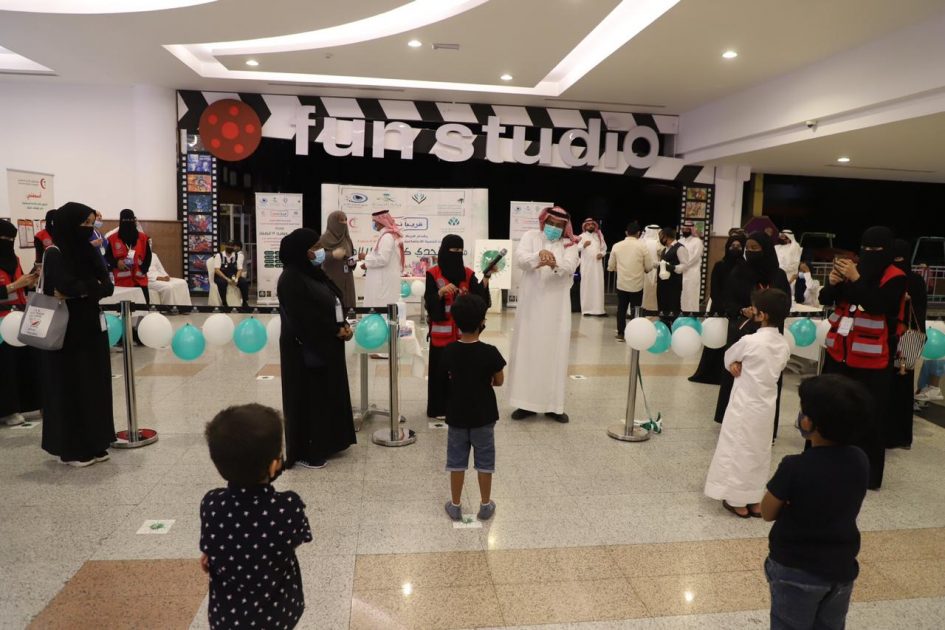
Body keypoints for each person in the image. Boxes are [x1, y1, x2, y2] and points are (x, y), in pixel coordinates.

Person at [762, 374, 870, 630]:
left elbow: (767, 511)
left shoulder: (794, 466)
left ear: (809, 422)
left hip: (795, 567)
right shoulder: (860, 459)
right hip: (841, 566)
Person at [200, 404, 312, 629]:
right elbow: (298, 538)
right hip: (278, 613)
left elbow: (210, 547)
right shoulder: (288, 506)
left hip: (227, 615)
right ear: (273, 466)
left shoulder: (211, 503)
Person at [820, 226, 906, 489]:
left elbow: (879, 305)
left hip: (873, 363)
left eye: (875, 249)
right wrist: (833, 284)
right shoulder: (851, 272)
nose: (868, 253)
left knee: (869, 418)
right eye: (865, 248)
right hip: (839, 354)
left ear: (887, 251)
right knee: (830, 412)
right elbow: (827, 299)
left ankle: (865, 475)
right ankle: (824, 468)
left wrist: (856, 279)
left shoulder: (896, 277)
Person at [40, 202, 116, 467]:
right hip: (66, 332)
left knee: (94, 385)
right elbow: (64, 285)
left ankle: (97, 442)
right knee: (71, 386)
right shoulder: (55, 253)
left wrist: (83, 289)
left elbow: (107, 286)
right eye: (84, 223)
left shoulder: (89, 250)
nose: (88, 229)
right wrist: (89, 287)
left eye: (91, 224)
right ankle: (72, 448)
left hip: (91, 327)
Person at [705, 288, 792, 518]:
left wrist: (734, 364)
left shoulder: (750, 341)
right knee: (759, 450)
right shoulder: (783, 344)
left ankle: (735, 498)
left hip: (744, 404)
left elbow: (729, 356)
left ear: (762, 315)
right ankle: (754, 497)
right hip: (766, 406)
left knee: (737, 447)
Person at [277, 228, 357, 469]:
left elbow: (333, 300)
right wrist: (333, 330)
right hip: (304, 351)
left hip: (327, 346)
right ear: (300, 251)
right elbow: (302, 317)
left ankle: (330, 442)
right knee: (308, 399)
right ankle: (306, 450)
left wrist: (343, 325)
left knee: (326, 395)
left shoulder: (314, 273)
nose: (320, 251)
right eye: (314, 248)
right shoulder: (290, 278)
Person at [508, 206, 580, 423]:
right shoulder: (531, 237)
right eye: (551, 223)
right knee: (528, 351)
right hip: (531, 307)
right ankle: (525, 403)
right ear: (544, 222)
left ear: (565, 228)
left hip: (557, 310)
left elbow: (569, 267)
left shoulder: (570, 245)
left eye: (559, 225)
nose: (554, 228)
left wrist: (554, 263)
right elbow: (520, 259)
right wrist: (538, 256)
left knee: (555, 353)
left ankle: (553, 406)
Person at [713, 232, 791, 425]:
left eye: (755, 248)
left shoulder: (778, 275)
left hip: (769, 334)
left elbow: (785, 304)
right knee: (737, 376)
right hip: (743, 331)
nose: (749, 251)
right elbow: (727, 300)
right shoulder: (739, 272)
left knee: (765, 381)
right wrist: (742, 310)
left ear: (766, 250)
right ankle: (730, 422)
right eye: (748, 248)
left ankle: (765, 425)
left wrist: (766, 314)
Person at [441, 294, 506, 522]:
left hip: (457, 415)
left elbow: (444, 379)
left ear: (457, 322)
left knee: (456, 462)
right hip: (484, 416)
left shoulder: (449, 351)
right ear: (482, 322)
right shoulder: (490, 352)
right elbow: (499, 381)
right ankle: (485, 504)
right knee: (485, 461)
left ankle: (455, 505)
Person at [424, 234, 491, 419]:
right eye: (453, 250)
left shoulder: (468, 274)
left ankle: (461, 408)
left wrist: (486, 278)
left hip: (464, 336)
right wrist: (440, 292)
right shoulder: (433, 273)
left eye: (460, 251)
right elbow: (429, 301)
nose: (457, 254)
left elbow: (481, 299)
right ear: (444, 251)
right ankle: (439, 409)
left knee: (462, 374)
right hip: (441, 335)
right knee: (439, 373)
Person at [689, 233, 746, 384]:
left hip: (738, 311)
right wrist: (724, 307)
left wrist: (737, 308)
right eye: (733, 246)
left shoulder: (745, 267)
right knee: (715, 341)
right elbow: (715, 290)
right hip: (720, 309)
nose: (735, 249)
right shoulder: (720, 265)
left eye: (739, 246)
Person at [0, 219, 41, 426]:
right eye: (4, 239)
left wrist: (30, 281)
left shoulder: (14, 259)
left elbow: (21, 285)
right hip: (1, 321)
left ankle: (28, 404)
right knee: (5, 366)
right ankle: (7, 410)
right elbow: (12, 286)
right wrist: (14, 285)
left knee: (24, 362)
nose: (8, 242)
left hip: (19, 316)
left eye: (11, 239)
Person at [887, 239, 926, 450]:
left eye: (900, 258)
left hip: (902, 340)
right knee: (893, 388)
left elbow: (919, 310)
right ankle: (893, 435)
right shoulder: (898, 277)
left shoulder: (913, 280)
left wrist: (905, 298)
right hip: (891, 339)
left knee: (899, 388)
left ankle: (899, 436)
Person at [608, 221, 653, 342]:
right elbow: (649, 266)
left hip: (622, 284)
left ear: (626, 232)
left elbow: (610, 266)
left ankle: (621, 333)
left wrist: (618, 268)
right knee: (636, 310)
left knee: (621, 309)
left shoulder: (617, 246)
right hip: (637, 284)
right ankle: (634, 334)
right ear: (639, 233)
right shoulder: (642, 246)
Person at [358, 209, 404, 310]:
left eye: (374, 222)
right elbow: (380, 257)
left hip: (383, 281)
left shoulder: (387, 237)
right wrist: (367, 264)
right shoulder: (386, 236)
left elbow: (383, 259)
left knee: (382, 308)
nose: (373, 224)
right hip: (384, 279)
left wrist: (365, 257)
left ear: (380, 222)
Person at [105, 208, 152, 304]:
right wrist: (117, 263)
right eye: (125, 220)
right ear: (121, 221)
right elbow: (107, 257)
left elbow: (148, 256)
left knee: (143, 307)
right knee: (123, 309)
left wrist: (144, 269)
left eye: (130, 220)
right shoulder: (112, 239)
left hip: (140, 281)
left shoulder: (143, 238)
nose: (128, 222)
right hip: (122, 283)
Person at [316, 211, 357, 311]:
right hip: (332, 280)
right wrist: (332, 255)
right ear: (333, 222)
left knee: (348, 310)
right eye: (341, 220)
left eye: (345, 220)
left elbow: (351, 257)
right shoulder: (323, 239)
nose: (344, 223)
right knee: (333, 310)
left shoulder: (347, 239)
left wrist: (353, 261)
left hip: (348, 281)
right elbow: (315, 258)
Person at [656, 227, 689, 327]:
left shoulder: (680, 248)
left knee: (673, 307)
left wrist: (673, 267)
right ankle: (665, 328)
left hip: (673, 284)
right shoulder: (664, 249)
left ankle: (675, 328)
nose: (660, 239)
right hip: (662, 285)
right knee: (662, 307)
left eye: (661, 237)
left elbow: (685, 265)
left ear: (666, 236)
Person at [578, 218, 607, 316]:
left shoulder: (599, 236)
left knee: (598, 286)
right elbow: (576, 248)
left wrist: (601, 254)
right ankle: (586, 310)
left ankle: (599, 310)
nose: (590, 226)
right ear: (585, 226)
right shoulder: (581, 236)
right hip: (586, 267)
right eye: (588, 224)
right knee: (586, 287)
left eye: (592, 224)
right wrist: (583, 246)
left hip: (597, 267)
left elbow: (604, 248)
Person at [212, 240, 249, 308]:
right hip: (221, 276)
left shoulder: (238, 256)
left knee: (244, 282)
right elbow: (217, 270)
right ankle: (224, 302)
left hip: (233, 276)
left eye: (232, 246)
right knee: (222, 283)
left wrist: (237, 279)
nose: (230, 247)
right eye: (228, 245)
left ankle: (244, 301)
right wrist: (226, 279)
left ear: (234, 247)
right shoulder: (219, 255)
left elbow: (240, 269)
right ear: (225, 246)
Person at [677, 220, 704, 312]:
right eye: (684, 229)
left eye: (687, 229)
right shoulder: (680, 241)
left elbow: (695, 257)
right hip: (680, 273)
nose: (685, 231)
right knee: (682, 295)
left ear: (691, 230)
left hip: (692, 273)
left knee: (691, 295)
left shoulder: (697, 241)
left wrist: (683, 266)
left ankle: (692, 315)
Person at [641, 224, 661, 312]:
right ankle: (651, 311)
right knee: (651, 292)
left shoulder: (641, 242)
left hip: (642, 270)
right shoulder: (658, 243)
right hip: (654, 270)